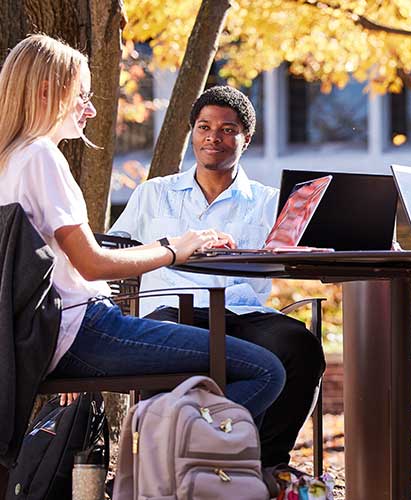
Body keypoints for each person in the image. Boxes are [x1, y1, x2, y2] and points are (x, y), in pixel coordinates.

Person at [0, 35, 285, 421]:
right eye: (83, 95)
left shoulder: (10, 160)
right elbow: (94, 264)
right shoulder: (41, 157)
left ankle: (177, 459)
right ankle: (176, 462)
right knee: (266, 370)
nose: (90, 111)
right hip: (83, 329)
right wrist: (174, 247)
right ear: (50, 91)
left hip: (39, 338)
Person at [110, 85, 326, 468]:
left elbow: (313, 246)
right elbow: (112, 254)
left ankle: (265, 464)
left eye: (228, 129)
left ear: (246, 138)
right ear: (192, 132)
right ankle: (169, 466)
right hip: (171, 311)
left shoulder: (269, 201)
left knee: (300, 347)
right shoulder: (153, 194)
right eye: (204, 127)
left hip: (241, 315)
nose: (213, 137)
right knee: (159, 349)